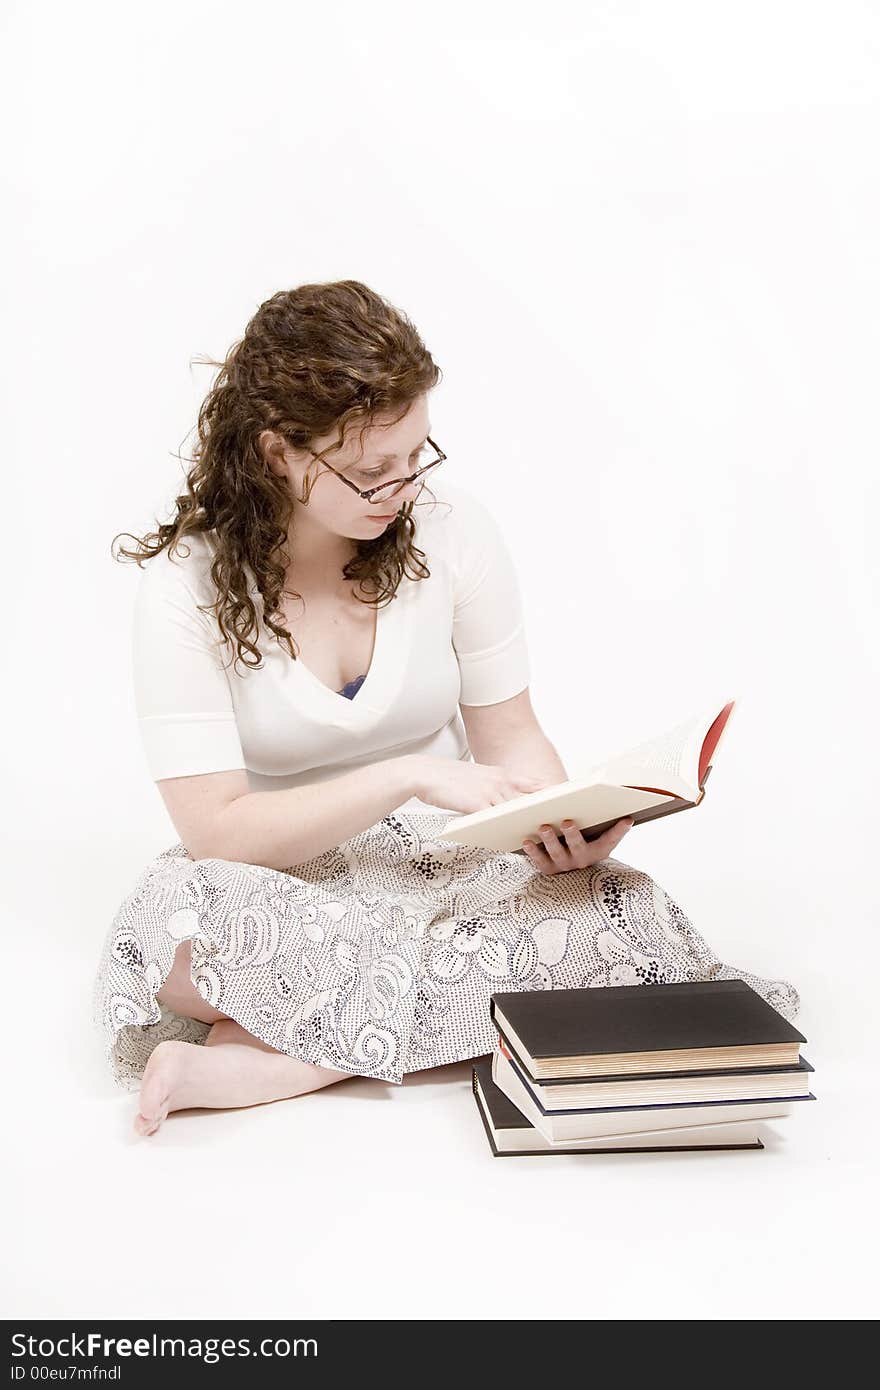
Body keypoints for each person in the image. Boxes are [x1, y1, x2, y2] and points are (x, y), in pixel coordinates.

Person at [92, 278, 800, 1137]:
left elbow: (513, 737)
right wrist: (408, 776)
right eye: (368, 470)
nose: (400, 489)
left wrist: (555, 822)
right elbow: (218, 834)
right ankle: (410, 1022)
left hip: (443, 866)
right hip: (271, 878)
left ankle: (279, 1055)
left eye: (416, 456)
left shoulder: (454, 532)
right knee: (195, 927)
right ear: (278, 453)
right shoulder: (184, 587)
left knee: (627, 911)